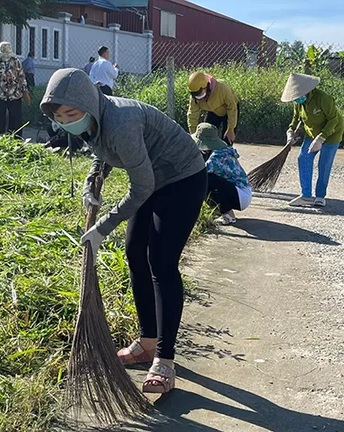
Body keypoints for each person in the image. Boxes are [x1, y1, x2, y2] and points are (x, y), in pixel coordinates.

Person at [41, 69, 207, 394]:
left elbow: (141, 186)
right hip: (153, 176)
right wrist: (90, 184)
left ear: (88, 104)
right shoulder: (93, 118)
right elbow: (101, 152)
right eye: (60, 117)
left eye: (72, 114)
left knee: (160, 261)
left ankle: (164, 359)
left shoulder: (121, 122)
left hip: (182, 178)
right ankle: (147, 341)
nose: (66, 121)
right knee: (135, 253)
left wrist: (104, 226)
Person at [281, 73, 344, 207]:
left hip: (331, 135)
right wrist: (291, 131)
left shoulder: (323, 98)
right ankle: (306, 196)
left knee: (324, 164)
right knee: (303, 158)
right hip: (311, 133)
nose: (296, 99)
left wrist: (321, 138)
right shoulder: (299, 103)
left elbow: (333, 119)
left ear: (306, 90)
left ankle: (320, 196)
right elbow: (296, 119)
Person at [193, 123, 252, 225]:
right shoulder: (219, 150)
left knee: (207, 180)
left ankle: (228, 215)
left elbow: (200, 174)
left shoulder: (217, 156)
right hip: (240, 193)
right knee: (208, 180)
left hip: (240, 195)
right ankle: (222, 211)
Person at [187, 71, 239, 145]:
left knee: (227, 139)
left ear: (206, 86)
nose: (199, 99)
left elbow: (232, 108)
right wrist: (193, 135)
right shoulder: (195, 97)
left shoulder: (222, 88)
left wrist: (231, 128)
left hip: (230, 111)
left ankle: (226, 155)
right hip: (213, 111)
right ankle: (205, 156)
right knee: (205, 136)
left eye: (200, 95)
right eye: (195, 95)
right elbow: (192, 114)